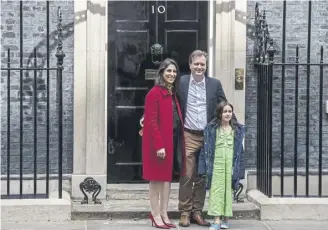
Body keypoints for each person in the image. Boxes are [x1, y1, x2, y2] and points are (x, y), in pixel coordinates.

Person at [178, 50, 233, 227]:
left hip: (208, 137)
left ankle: (197, 212)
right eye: (197, 64)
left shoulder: (214, 84)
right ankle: (185, 212)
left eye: (203, 64)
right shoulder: (182, 82)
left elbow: (224, 106)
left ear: (206, 66)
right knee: (187, 174)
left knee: (202, 176)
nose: (200, 67)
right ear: (190, 65)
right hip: (188, 133)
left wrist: (232, 127)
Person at [142, 58, 186, 229]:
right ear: (161, 73)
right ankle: (154, 214)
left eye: (174, 71)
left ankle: (164, 213)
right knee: (155, 180)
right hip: (156, 144)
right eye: (168, 71)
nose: (172, 74)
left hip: (170, 141)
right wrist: (159, 145)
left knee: (166, 180)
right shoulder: (154, 93)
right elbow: (152, 122)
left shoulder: (172, 93)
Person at [198, 101, 245, 230]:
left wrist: (240, 171)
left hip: (230, 165)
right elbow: (205, 149)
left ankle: (226, 219)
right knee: (216, 192)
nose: (227, 114)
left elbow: (240, 152)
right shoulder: (212, 129)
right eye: (225, 111)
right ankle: (216, 220)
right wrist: (202, 169)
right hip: (216, 165)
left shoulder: (237, 130)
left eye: (230, 111)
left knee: (227, 192)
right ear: (219, 113)